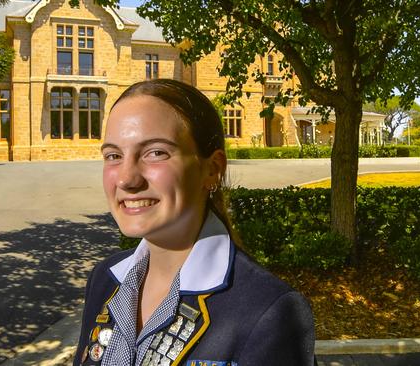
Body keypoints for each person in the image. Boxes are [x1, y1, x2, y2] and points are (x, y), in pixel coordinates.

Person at [73, 79, 315, 366]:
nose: (126, 179)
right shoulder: (104, 279)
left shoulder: (270, 312)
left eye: (155, 153)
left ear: (212, 170)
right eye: (114, 155)